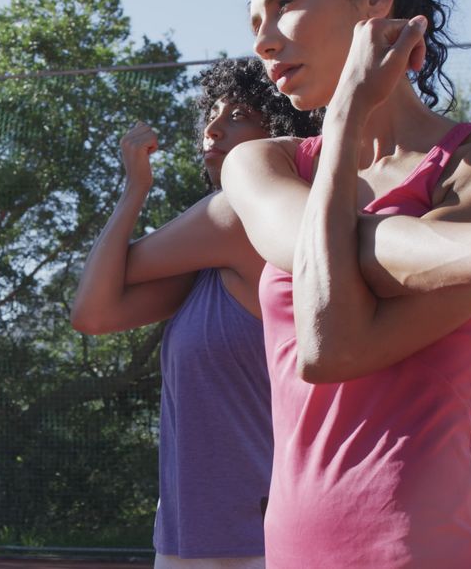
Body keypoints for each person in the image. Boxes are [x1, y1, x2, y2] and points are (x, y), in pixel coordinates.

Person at [223, 0, 471, 566]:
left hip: (429, 547)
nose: (265, 41)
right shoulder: (258, 165)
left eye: (285, 5)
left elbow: (334, 343)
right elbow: (320, 281)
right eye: (255, 23)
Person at [71, 58, 320, 569]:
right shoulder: (205, 260)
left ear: (280, 131)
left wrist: (134, 187)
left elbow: (99, 285)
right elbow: (92, 313)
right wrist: (134, 191)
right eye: (212, 113)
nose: (212, 128)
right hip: (188, 536)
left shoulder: (231, 219)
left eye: (238, 115)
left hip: (260, 541)